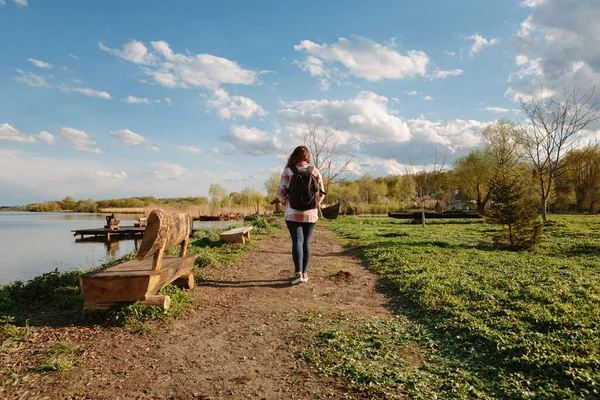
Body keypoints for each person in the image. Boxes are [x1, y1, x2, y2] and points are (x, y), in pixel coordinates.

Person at [277, 146, 325, 285]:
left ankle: (297, 273)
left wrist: (285, 201)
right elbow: (321, 193)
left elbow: (280, 192)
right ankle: (304, 273)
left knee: (297, 241)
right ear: (307, 157)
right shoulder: (314, 171)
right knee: (306, 242)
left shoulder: (288, 171)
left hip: (292, 213)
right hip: (311, 214)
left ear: (294, 157)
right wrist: (313, 204)